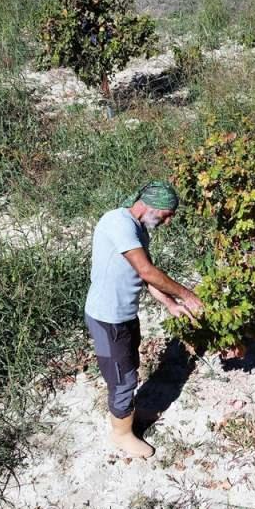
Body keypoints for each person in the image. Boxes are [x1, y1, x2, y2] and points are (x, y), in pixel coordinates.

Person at [83, 181, 203, 459]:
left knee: (130, 366)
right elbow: (147, 271)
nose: (168, 221)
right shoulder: (118, 223)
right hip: (107, 319)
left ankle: (128, 414)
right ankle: (122, 434)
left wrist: (171, 303)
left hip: (124, 314)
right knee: (122, 379)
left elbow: (143, 277)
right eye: (167, 214)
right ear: (150, 206)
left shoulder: (138, 230)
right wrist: (187, 295)